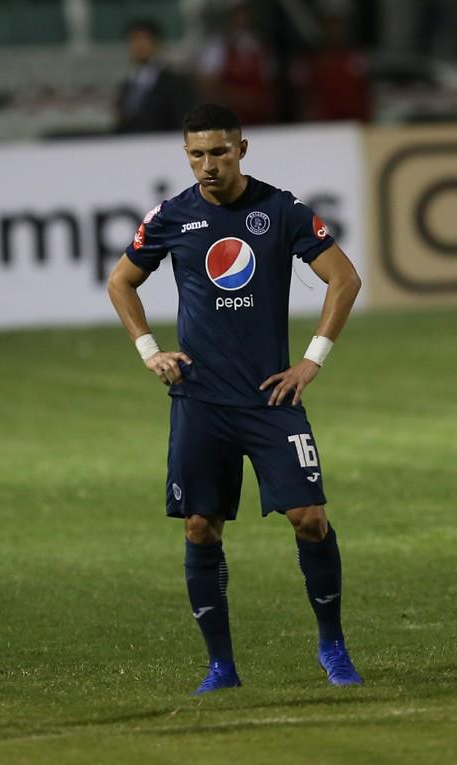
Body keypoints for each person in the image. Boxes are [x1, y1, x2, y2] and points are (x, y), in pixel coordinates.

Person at [107, 103, 363, 694]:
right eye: (197, 154)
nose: (208, 165)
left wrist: (312, 360)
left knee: (310, 519)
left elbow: (345, 278)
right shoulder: (172, 216)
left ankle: (332, 645)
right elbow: (121, 281)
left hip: (271, 398)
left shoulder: (280, 210)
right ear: (186, 155)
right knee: (200, 527)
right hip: (200, 401)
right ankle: (221, 666)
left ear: (241, 150)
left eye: (219, 152)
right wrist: (149, 350)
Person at [116, 18, 196, 134]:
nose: (139, 45)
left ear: (158, 43)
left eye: (145, 39)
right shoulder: (127, 85)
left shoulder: (175, 83)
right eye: (134, 39)